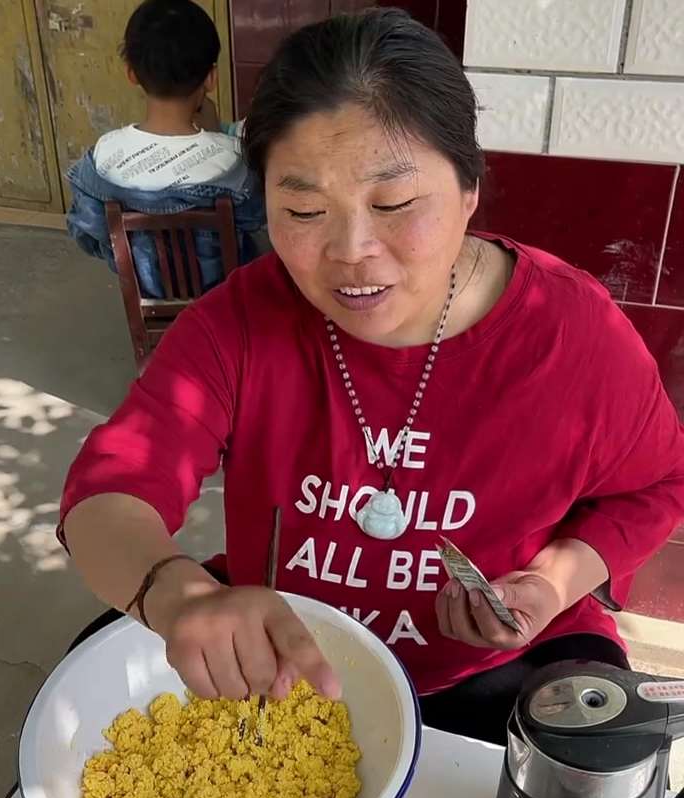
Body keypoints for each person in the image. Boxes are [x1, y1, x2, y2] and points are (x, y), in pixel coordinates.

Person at [58, 8, 684, 746]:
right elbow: (110, 493)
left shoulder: (572, 335)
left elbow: (658, 484)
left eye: (394, 204)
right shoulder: (241, 322)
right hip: (288, 659)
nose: (351, 251)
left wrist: (552, 581)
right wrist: (178, 594)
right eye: (303, 210)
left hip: (498, 666)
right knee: (92, 683)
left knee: (592, 766)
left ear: (470, 189)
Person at [65, 0, 266, 299]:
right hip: (219, 299)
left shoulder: (104, 155)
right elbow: (257, 218)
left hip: (147, 292)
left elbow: (87, 233)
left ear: (131, 73)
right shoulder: (232, 160)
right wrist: (215, 136)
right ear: (211, 78)